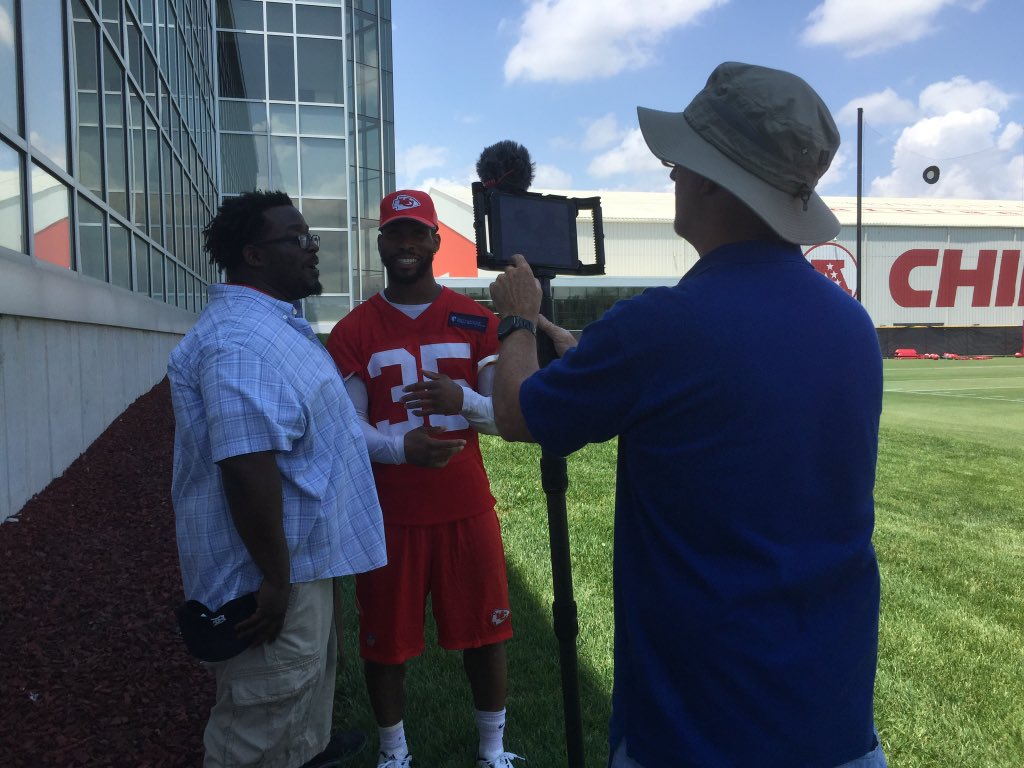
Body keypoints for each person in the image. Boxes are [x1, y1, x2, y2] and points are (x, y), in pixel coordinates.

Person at [488, 62, 888, 768]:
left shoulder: (662, 326)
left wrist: (519, 321)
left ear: (708, 178)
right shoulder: (850, 322)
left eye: (678, 163)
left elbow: (521, 414)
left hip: (696, 727)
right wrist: (602, 357)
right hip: (834, 719)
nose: (671, 176)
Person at [168, 190, 387, 768]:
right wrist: (274, 579)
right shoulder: (239, 343)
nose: (312, 250)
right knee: (260, 727)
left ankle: (308, 752)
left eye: (309, 237)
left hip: (298, 564)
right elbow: (246, 467)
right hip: (268, 580)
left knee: (297, 702)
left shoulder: (268, 327)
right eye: (297, 239)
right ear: (254, 255)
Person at [325, 190, 521, 768]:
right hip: (389, 511)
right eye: (395, 234)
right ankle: (394, 754)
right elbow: (347, 426)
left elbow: (506, 413)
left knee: (487, 634)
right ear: (381, 241)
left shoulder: (472, 316)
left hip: (465, 504)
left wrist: (461, 399)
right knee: (386, 641)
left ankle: (492, 749)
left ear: (436, 239)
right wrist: (398, 449)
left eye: (417, 233)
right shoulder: (356, 329)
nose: (406, 245)